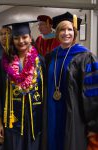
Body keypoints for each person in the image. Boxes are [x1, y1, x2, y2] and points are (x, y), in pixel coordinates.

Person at [42, 11, 98, 150]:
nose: (66, 33)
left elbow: (92, 94)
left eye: (70, 29)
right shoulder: (50, 57)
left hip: (74, 116)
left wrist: (93, 124)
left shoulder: (85, 57)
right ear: (57, 33)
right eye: (62, 29)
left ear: (75, 32)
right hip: (51, 114)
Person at [0, 21, 45, 150]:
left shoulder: (40, 61)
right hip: (12, 121)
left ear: (30, 38)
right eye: (16, 38)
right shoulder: (4, 62)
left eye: (24, 37)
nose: (21, 41)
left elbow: (45, 91)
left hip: (34, 120)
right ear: (12, 40)